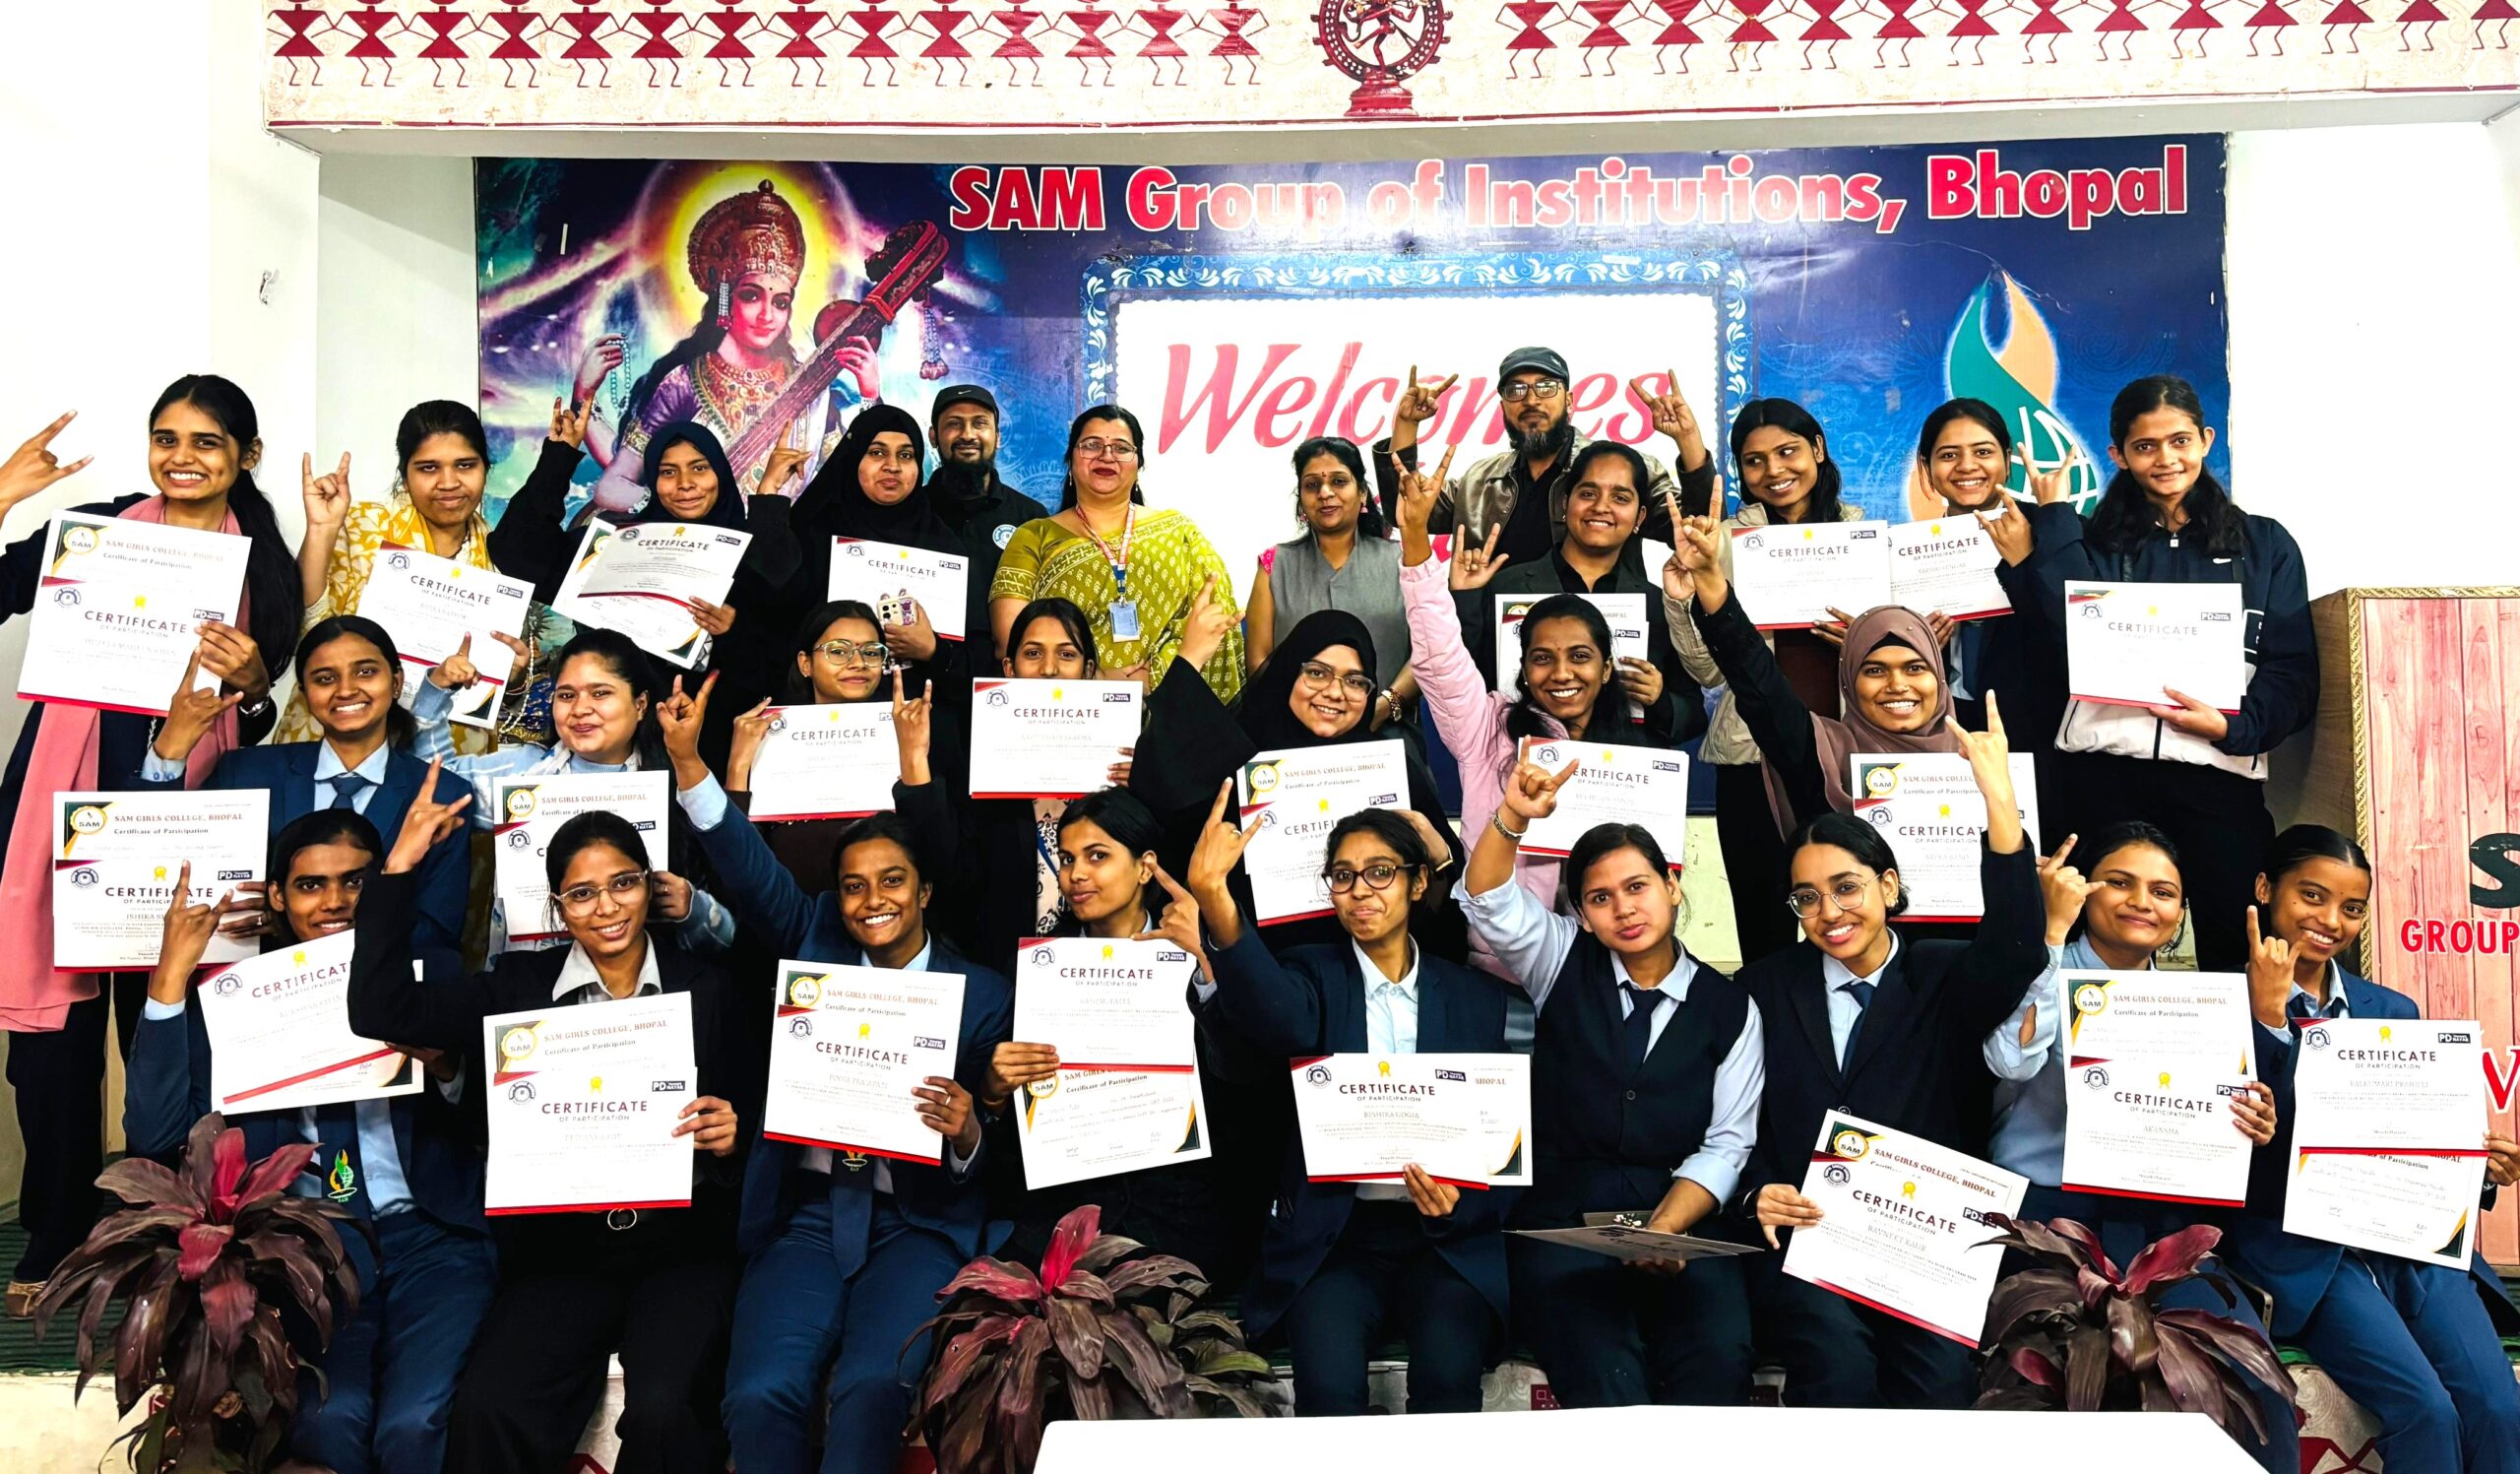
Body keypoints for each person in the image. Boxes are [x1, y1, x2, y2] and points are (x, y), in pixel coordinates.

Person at [649, 678, 1012, 1474]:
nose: (872, 899)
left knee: (873, 1386)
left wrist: (967, 1130)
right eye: (853, 885)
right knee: (760, 1393)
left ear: (924, 890)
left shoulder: (983, 992)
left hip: (917, 1222)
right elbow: (747, 868)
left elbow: (994, 1149)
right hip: (808, 1213)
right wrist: (688, 762)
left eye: (892, 880)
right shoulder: (813, 939)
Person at [0, 382, 303, 1318]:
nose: (182, 457)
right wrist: (2, 495)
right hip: (61, 801)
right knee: (51, 1049)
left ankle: (165, 1224)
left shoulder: (263, 564)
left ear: (245, 456)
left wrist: (255, 683)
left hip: (186, 810)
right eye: (166, 438)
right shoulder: (96, 530)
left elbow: (261, 708)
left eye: (207, 442)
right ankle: (56, 1224)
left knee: (169, 1026)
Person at [348, 779, 748, 1474]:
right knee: (490, 1409)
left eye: (623, 883)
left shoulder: (709, 987)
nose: (607, 906)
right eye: (582, 893)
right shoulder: (516, 988)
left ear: (648, 884)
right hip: (562, 1253)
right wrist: (400, 866)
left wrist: (731, 1133)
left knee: (665, 1409)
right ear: (558, 907)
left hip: (681, 1249)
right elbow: (379, 1010)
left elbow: (755, 1118)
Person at [128, 811, 495, 1474]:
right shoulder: (238, 1001)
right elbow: (155, 1138)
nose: (335, 901)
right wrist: (169, 979)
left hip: (433, 1242)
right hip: (312, 1254)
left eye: (355, 881)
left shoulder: (430, 973)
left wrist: (445, 1064)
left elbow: (495, 1115)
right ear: (277, 896)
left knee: (415, 1424)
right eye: (310, 885)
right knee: (331, 1420)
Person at [1733, 700, 2045, 1409]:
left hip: (1924, 1248)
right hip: (1806, 1243)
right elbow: (1730, 1115)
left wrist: (1997, 798)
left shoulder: (1942, 973)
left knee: (1939, 1390)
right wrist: (1757, 1192)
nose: (1829, 912)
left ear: (1889, 885)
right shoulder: (1761, 989)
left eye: (1846, 887)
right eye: (1807, 898)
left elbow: (2017, 947)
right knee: (1837, 1368)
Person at [1181, 794, 1515, 1417]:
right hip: (1337, 1242)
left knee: (1448, 1383)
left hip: (1443, 1243)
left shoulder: (1478, 1000)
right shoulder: (1310, 974)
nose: (1360, 890)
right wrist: (1216, 901)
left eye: (1380, 872)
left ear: (1418, 883)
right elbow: (1275, 1018)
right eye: (1342, 875)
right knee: (1330, 1392)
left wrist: (1463, 1197)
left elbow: (1506, 1140)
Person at [1980, 822, 2297, 1474]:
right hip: (2047, 1223)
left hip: (2160, 1226)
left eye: (2163, 891)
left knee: (2256, 1384)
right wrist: (2049, 937)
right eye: (2119, 882)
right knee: (2071, 1384)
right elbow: (2010, 1060)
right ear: (2084, 890)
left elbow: (2229, 1124)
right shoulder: (2037, 966)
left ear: (2181, 913)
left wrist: (2252, 1119)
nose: (2141, 901)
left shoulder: (2201, 1003)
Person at [1458, 755, 1763, 1408]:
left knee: (1718, 1357)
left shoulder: (1732, 1008)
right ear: (1583, 914)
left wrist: (1666, 1229)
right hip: (1563, 1227)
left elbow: (1727, 1143)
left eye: (1637, 886)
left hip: (1680, 1225)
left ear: (1673, 885)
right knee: (1604, 1371)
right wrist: (1512, 817)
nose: (1623, 909)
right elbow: (1487, 897)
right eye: (1600, 898)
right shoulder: (1560, 958)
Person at [2220, 826, 2520, 1474]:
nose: (2332, 920)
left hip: (2414, 1242)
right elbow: (2234, 1161)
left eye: (2352, 907)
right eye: (2312, 895)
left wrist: (2481, 1171)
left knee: (2499, 1407)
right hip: (2308, 1251)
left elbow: (2420, 1139)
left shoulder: (2393, 1009)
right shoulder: (2216, 1006)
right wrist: (2267, 1021)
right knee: (2427, 1411)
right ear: (2265, 888)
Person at [2016, 375, 2316, 973]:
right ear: (2118, 455)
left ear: (2205, 440)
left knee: (2238, 943)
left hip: (2218, 779)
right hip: (2101, 778)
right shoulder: (2089, 541)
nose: (2166, 459)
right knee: (2087, 943)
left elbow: (2293, 674)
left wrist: (2232, 728)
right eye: (2145, 446)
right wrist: (2053, 518)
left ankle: (2248, 1041)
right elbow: (2059, 633)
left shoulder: (2265, 545)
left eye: (2180, 441)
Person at [1395, 445, 1671, 972]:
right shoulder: (1488, 730)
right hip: (1500, 965)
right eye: (1542, 659)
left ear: (1607, 669)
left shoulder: (1636, 755)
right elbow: (1438, 656)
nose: (1562, 674)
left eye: (1581, 657)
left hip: (1607, 970)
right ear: (1522, 669)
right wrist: (1414, 541)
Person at [978, 787, 1229, 1275]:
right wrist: (993, 1093)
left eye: (1097, 856)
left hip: (1175, 1214)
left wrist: (1205, 962)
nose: (1076, 874)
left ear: (1145, 867)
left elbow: (1240, 1083)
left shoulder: (1200, 956)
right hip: (1060, 1216)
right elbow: (1014, 1138)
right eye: (1067, 858)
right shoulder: (1037, 968)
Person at [1130, 602, 1468, 962]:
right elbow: (1160, 796)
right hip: (1258, 964)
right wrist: (1190, 658)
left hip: (1375, 968)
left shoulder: (1391, 767)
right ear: (1289, 672)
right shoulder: (1238, 759)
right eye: (1317, 673)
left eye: (1355, 681)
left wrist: (1440, 855)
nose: (1335, 692)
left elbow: (1448, 905)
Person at [139, 616, 474, 976]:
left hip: (382, 993)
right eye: (325, 678)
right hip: (256, 984)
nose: (346, 690)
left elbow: (437, 931)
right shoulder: (246, 772)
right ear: (304, 692)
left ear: (396, 682)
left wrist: (299, 922)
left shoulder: (443, 793)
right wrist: (168, 752)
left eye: (365, 672)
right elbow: (156, 856)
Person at [1661, 396, 1865, 964]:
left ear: (1817, 449)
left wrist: (1868, 640)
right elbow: (1707, 670)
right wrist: (1680, 602)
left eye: (1787, 452)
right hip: (1751, 759)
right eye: (1754, 461)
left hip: (1846, 754)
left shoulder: (1868, 536)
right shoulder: (1721, 541)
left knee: (1853, 914)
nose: (1774, 470)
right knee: (1762, 925)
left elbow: (1896, 660)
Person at [413, 625, 739, 955]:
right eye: (567, 695)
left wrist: (692, 909)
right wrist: (436, 691)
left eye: (600, 694)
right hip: (530, 980)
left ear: (641, 704)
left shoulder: (682, 788)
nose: (581, 709)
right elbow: (429, 784)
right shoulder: (523, 773)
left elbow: (728, 939)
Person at [579, 178, 870, 509]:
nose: (767, 315)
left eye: (780, 303)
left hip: (777, 538)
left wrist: (870, 392)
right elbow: (612, 485)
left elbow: (851, 477)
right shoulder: (684, 382)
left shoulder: (808, 386)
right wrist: (674, 509)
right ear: (726, 300)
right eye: (751, 296)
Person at [286, 399, 535, 754]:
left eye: (465, 465)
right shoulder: (362, 527)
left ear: (485, 468)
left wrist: (507, 677)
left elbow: (491, 694)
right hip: (343, 744)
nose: (448, 483)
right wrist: (322, 529)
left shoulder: (500, 554)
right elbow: (308, 628)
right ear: (405, 475)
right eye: (428, 468)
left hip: (446, 753)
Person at [918, 597, 1132, 974]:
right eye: (1033, 653)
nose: (1049, 669)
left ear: (1087, 670)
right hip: (1002, 968)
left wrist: (1143, 788)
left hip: (1103, 968)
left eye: (1066, 654)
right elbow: (951, 873)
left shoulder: (1125, 755)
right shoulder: (976, 755)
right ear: (1009, 668)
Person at [1452, 437, 1706, 746]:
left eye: (1620, 498)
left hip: (1622, 772)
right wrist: (1464, 598)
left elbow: (1693, 716)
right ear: (1564, 502)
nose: (1601, 507)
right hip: (1519, 766)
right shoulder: (1506, 588)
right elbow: (1459, 685)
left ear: (1640, 517)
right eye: (1588, 493)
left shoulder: (1659, 604)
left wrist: (1659, 700)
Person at [987, 405, 1244, 699]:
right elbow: (1010, 639)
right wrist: (1098, 678)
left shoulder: (1180, 532)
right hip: (1067, 707)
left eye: (1121, 448)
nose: (1106, 456)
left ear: (1139, 464)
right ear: (1070, 460)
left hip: (1170, 704)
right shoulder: (1034, 536)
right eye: (1091, 445)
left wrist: (1154, 676)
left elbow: (1215, 616)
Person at [1372, 349, 1717, 566]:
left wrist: (1687, 439)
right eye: (1516, 390)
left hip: (1601, 641)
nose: (1531, 399)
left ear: (1570, 400)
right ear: (1503, 406)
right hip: (1493, 643)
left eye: (1546, 386)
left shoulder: (1622, 470)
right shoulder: (1478, 481)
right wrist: (1406, 425)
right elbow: (1405, 512)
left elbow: (1699, 529)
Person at [782, 405, 962, 709]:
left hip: (920, 715)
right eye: (877, 453)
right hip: (824, 718)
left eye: (906, 455)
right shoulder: (813, 531)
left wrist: (932, 649)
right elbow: (776, 621)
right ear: (854, 458)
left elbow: (971, 659)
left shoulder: (945, 545)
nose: (893, 466)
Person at [1245, 436, 1418, 733]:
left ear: (1362, 493)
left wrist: (1385, 705)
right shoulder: (1275, 566)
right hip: (1295, 735)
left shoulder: (1403, 561)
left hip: (1386, 732)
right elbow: (1259, 664)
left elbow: (1431, 650)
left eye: (1338, 481)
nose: (1325, 493)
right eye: (1312, 485)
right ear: (1301, 498)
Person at [926, 384, 1051, 667]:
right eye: (954, 424)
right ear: (933, 436)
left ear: (998, 437)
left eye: (980, 423)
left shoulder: (1030, 517)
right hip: (926, 675)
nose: (967, 434)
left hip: (1005, 676)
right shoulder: (912, 511)